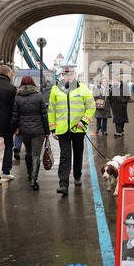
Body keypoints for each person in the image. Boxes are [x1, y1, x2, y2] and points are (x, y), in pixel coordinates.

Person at [48, 64, 95, 195]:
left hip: (78, 129)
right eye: (66, 74)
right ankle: (63, 184)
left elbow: (91, 106)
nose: (68, 76)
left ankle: (77, 175)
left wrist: (84, 121)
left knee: (78, 154)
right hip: (62, 129)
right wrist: (52, 129)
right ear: (62, 75)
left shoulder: (83, 89)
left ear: (74, 75)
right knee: (65, 156)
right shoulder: (55, 89)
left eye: (71, 74)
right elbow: (51, 110)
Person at [11, 76, 50, 190]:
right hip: (38, 131)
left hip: (24, 131)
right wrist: (47, 132)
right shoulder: (39, 97)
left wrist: (14, 129)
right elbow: (44, 115)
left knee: (28, 152)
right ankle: (34, 180)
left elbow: (15, 116)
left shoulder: (17, 98)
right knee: (36, 155)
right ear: (33, 84)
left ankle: (29, 174)